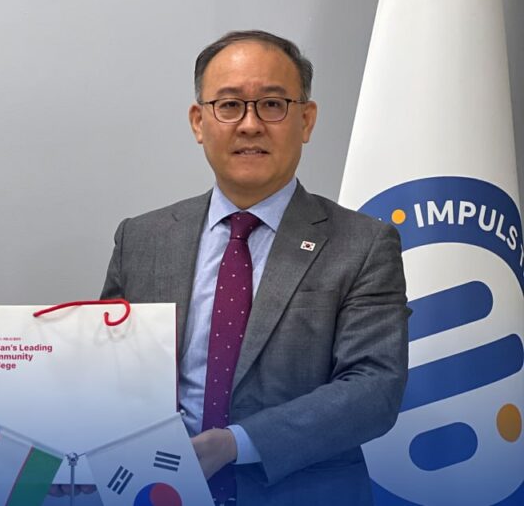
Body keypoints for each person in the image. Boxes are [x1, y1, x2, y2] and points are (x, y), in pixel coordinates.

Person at [101, 30, 410, 505]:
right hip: (156, 490)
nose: (249, 125)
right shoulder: (141, 239)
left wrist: (236, 444)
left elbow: (374, 389)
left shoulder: (363, 244)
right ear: (198, 122)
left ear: (306, 120)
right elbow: (104, 369)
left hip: (302, 493)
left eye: (271, 105)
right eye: (229, 105)